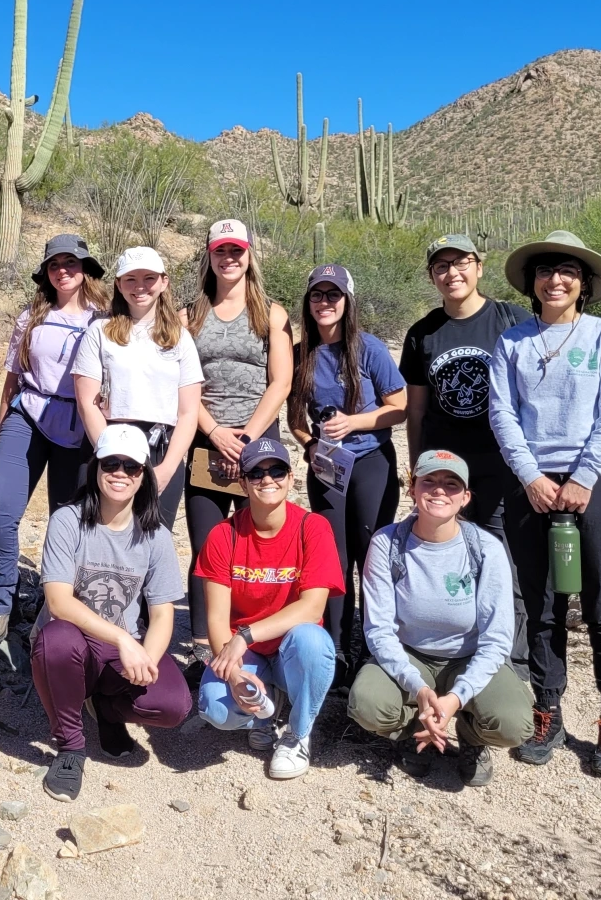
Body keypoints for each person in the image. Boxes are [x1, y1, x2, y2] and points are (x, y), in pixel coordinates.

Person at [488, 231, 601, 778]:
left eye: (568, 271)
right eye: (546, 270)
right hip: (530, 485)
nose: (556, 279)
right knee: (541, 599)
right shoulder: (514, 343)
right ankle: (547, 708)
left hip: (592, 483)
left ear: (584, 284)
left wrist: (585, 475)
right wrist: (530, 476)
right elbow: (503, 414)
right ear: (532, 281)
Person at [348, 450, 533, 787]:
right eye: (429, 481)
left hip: (468, 658)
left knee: (514, 723)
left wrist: (457, 696)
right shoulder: (387, 543)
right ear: (412, 490)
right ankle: (416, 730)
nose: (439, 490)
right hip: (410, 656)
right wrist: (416, 687)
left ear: (465, 498)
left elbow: (496, 638)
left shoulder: (485, 549)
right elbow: (378, 628)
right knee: (368, 705)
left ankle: (470, 736)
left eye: (451, 484)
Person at [32, 425, 192, 802]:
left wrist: (146, 661)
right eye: (111, 463)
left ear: (143, 477)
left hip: (120, 650)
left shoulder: (156, 537)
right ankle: (71, 747)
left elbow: (163, 614)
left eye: (131, 466)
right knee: (56, 642)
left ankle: (107, 708)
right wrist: (123, 639)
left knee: (172, 705)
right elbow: (58, 602)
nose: (120, 473)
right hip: (75, 640)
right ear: (95, 468)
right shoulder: (68, 521)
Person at [400, 234, 530, 676]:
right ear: (432, 276)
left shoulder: (511, 320)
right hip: (442, 470)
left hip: (500, 466)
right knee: (449, 559)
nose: (451, 273)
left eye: (461, 263)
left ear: (479, 267)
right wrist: (417, 468)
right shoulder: (423, 334)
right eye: (441, 266)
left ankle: (512, 664)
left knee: (501, 563)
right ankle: (451, 651)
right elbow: (415, 410)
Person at [0, 234, 109, 647]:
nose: (63, 270)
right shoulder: (30, 316)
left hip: (81, 423)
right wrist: (3, 427)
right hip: (29, 416)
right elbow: (13, 378)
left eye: (72, 262)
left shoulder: (106, 321)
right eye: (55, 264)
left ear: (85, 268)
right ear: (46, 272)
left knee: (67, 520)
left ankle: (55, 603)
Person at [194, 437, 342, 780]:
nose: (267, 480)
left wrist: (244, 636)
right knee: (217, 710)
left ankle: (297, 733)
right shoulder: (223, 535)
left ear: (291, 478)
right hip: (248, 655)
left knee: (313, 640)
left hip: (290, 648)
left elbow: (312, 607)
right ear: (242, 483)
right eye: (256, 474)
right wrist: (232, 676)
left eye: (277, 470)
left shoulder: (312, 527)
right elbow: (216, 619)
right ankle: (264, 710)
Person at [288, 263, 407, 685]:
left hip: (371, 461)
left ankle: (374, 649)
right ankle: (337, 650)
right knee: (331, 561)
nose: (325, 302)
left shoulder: (368, 348)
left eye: (333, 295)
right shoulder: (301, 354)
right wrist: (309, 444)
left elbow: (401, 405)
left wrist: (353, 424)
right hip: (327, 469)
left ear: (347, 301)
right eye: (317, 295)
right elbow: (296, 419)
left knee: (370, 557)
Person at [183, 219, 294, 666]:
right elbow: (183, 381)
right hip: (206, 437)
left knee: (259, 544)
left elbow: (281, 381)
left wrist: (245, 437)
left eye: (236, 251)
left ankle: (254, 640)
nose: (229, 259)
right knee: (207, 544)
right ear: (209, 257)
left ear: (249, 255)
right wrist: (213, 432)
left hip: (258, 440)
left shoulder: (271, 312)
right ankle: (202, 648)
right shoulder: (191, 313)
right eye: (220, 251)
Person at [72, 246, 202, 533]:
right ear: (118, 284)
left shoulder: (180, 338)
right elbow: (86, 401)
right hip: (107, 443)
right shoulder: (99, 331)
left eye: (149, 278)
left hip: (160, 448)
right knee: (97, 534)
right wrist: (107, 455)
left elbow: (189, 411)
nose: (140, 287)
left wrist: (167, 469)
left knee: (151, 538)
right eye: (130, 279)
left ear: (164, 282)